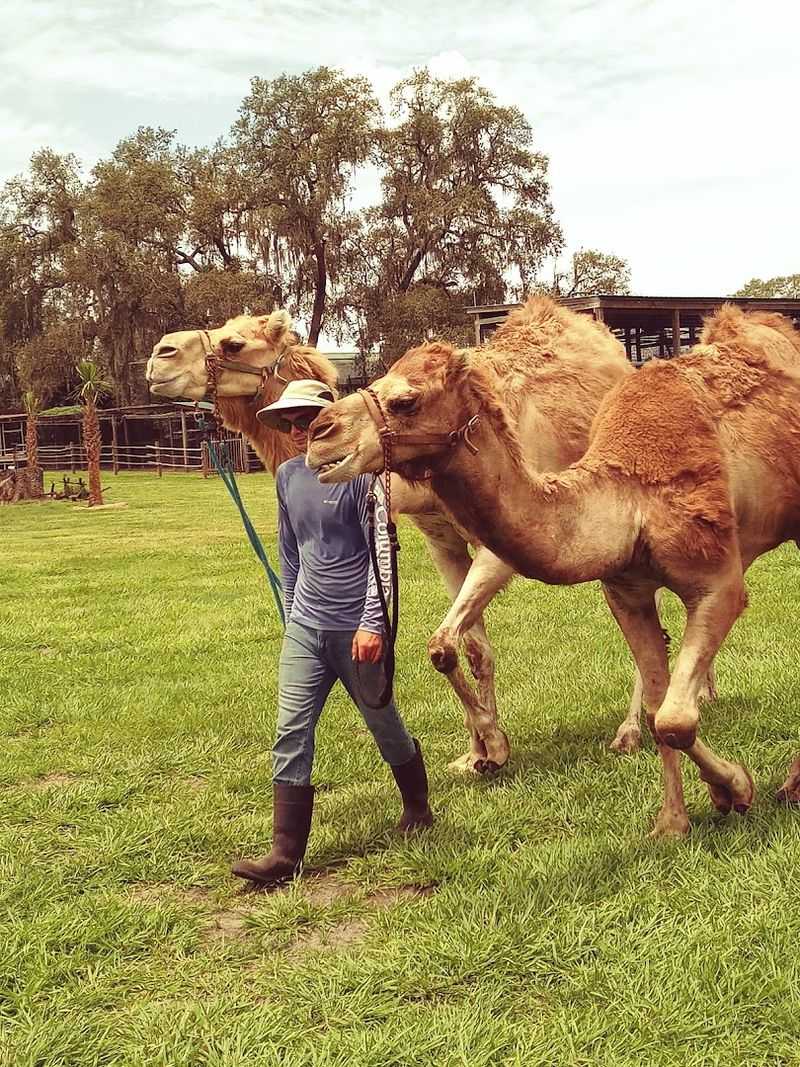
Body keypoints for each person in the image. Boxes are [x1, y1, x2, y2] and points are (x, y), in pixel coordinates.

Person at [232, 379, 433, 887]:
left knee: (384, 723)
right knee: (291, 729)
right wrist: (292, 617)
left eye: (310, 421)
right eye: (292, 423)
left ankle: (418, 807)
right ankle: (285, 854)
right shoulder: (288, 476)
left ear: (331, 420)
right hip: (306, 628)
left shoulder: (365, 479)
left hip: (356, 630)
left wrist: (372, 623)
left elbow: (382, 552)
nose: (301, 431)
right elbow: (290, 552)